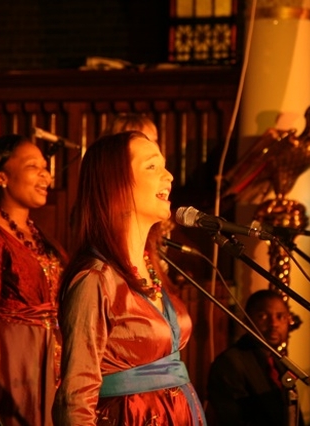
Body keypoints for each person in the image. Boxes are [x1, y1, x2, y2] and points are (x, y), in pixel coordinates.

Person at [52, 131, 205, 425]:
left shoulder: (152, 268)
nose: (169, 176)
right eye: (152, 166)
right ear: (117, 184)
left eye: (164, 165)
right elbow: (76, 398)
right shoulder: (96, 279)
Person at [0, 134, 66, 426]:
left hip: (48, 358)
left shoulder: (39, 234)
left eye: (46, 166)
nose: (45, 174)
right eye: (33, 166)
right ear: (1, 176)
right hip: (11, 361)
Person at [207, 290, 303, 426]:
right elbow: (233, 419)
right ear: (247, 321)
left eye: (280, 316)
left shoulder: (279, 362)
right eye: (263, 316)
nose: (274, 324)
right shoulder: (230, 363)